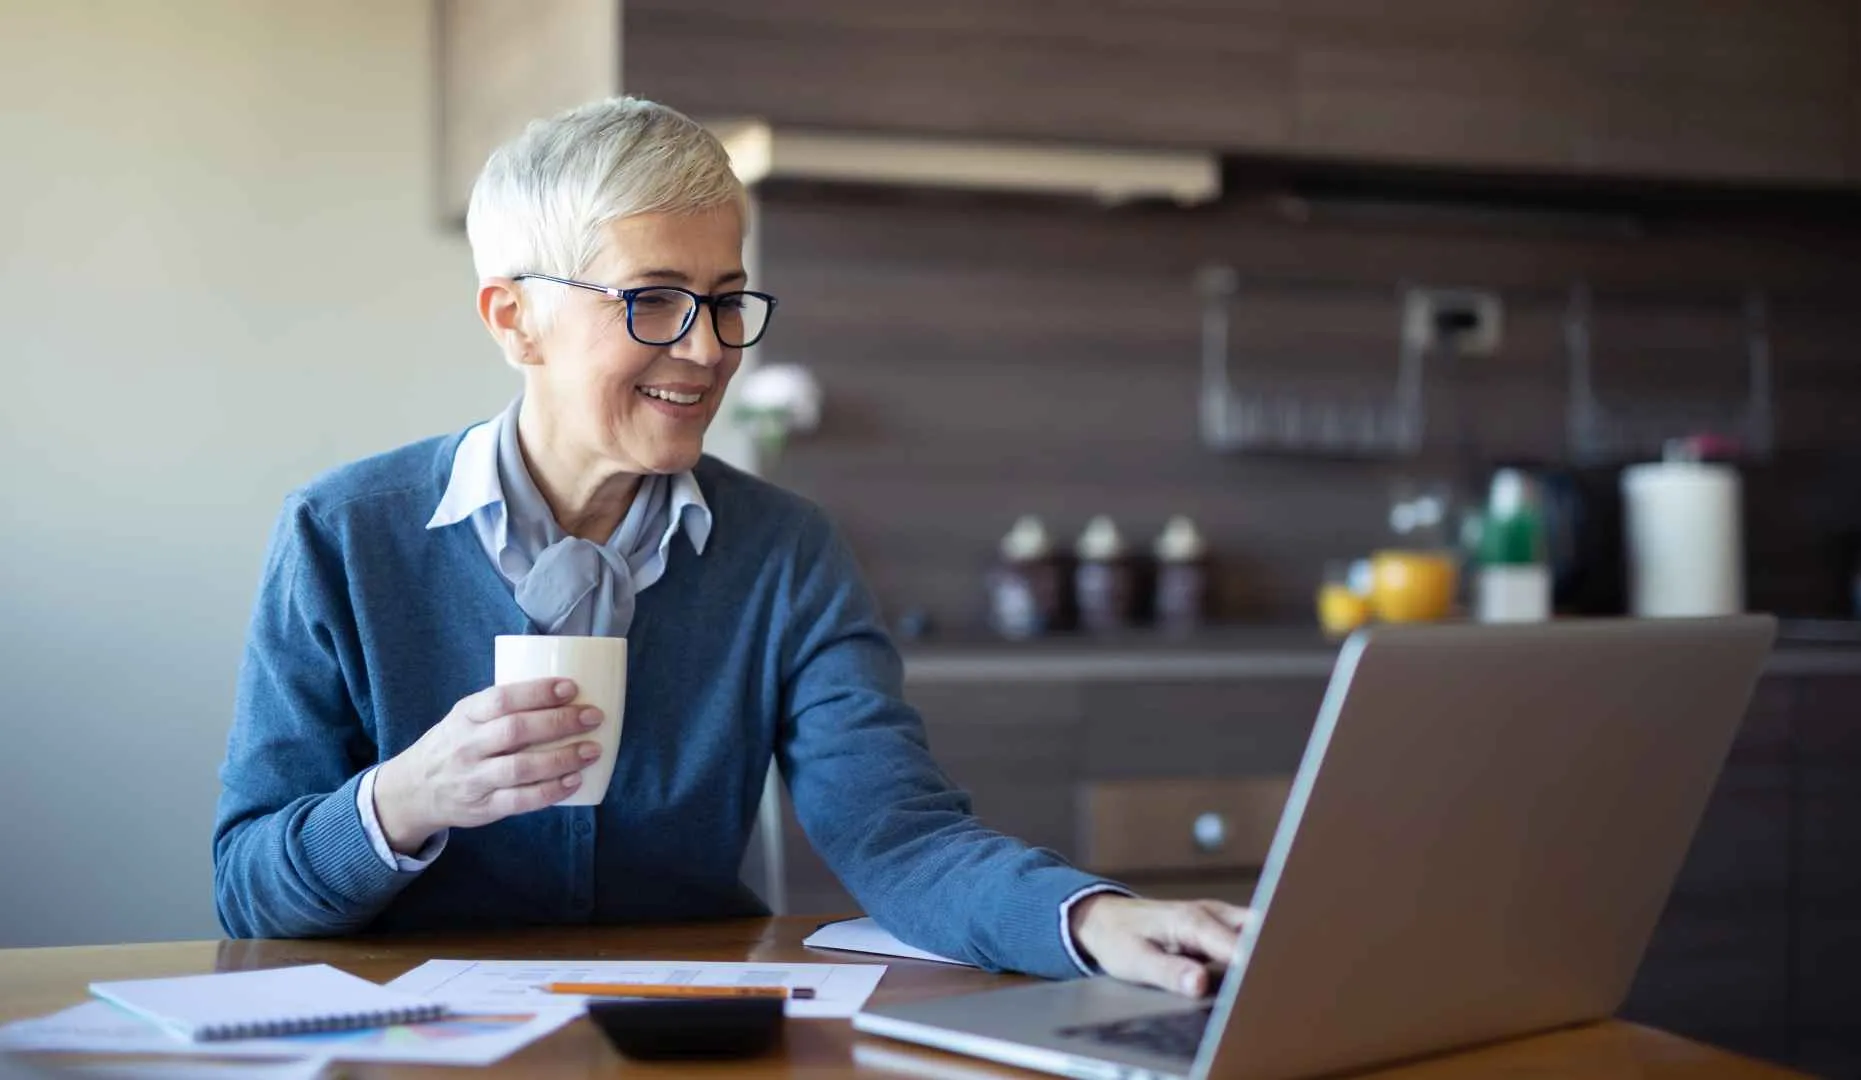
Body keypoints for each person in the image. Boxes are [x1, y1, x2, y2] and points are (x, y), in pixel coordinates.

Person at [212, 97, 1245, 996]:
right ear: (515, 320)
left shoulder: (783, 552)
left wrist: (1092, 920)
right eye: (653, 300)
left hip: (691, 1039)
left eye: (722, 298)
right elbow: (249, 889)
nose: (706, 348)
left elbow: (897, 834)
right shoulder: (343, 536)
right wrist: (405, 799)